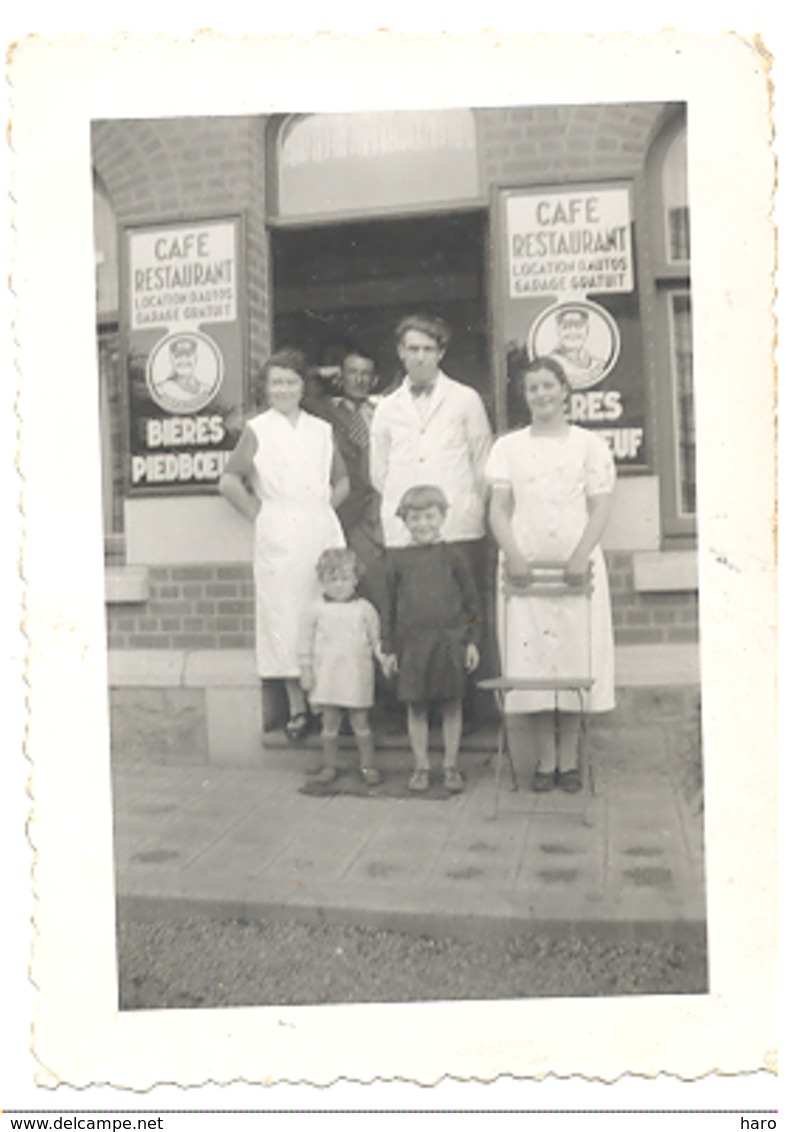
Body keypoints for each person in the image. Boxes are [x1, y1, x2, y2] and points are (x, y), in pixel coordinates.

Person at [486, 356, 616, 794]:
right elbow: (499, 509)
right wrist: (513, 554)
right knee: (535, 663)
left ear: (564, 390)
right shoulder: (508, 448)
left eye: (548, 386)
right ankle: (544, 762)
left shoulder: (589, 445)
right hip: (526, 572)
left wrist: (581, 554)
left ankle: (570, 760)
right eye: (532, 388)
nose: (541, 394)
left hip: (576, 571)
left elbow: (600, 506)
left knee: (575, 660)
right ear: (525, 397)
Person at [218, 349, 349, 742]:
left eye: (291, 381)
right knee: (286, 617)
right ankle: (297, 709)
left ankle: (328, 705)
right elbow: (228, 482)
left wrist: (323, 508)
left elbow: (342, 480)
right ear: (266, 387)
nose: (284, 389)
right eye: (276, 382)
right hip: (279, 530)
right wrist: (262, 514)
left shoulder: (321, 429)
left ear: (302, 385)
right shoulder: (259, 429)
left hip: (319, 528)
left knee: (326, 612)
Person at [378, 485, 481, 794]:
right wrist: (389, 649)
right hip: (412, 646)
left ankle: (450, 766)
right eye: (415, 518)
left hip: (449, 642)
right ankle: (421, 766)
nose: (423, 524)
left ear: (443, 517)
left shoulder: (454, 556)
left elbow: (472, 604)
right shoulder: (397, 560)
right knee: (417, 707)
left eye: (429, 516)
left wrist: (472, 641)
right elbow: (389, 608)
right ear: (404, 521)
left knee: (451, 705)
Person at [297, 548, 384, 787]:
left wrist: (384, 659)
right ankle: (329, 766)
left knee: (360, 721)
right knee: (330, 722)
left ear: (355, 579)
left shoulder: (364, 609)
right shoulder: (315, 610)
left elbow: (377, 640)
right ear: (322, 581)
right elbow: (304, 642)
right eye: (331, 579)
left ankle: (368, 765)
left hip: (356, 674)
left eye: (345, 578)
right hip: (327, 674)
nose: (338, 585)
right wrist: (306, 670)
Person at [326, 350, 384, 573]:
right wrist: (324, 372)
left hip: (376, 506)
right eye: (352, 372)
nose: (359, 380)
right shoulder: (327, 411)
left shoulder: (383, 410)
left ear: (374, 379)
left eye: (365, 373)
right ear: (341, 376)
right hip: (345, 505)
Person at [548, 307, 607, 388]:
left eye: (579, 326)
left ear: (587, 329)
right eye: (566, 327)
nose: (573, 332)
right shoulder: (548, 365)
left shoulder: (599, 365)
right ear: (558, 330)